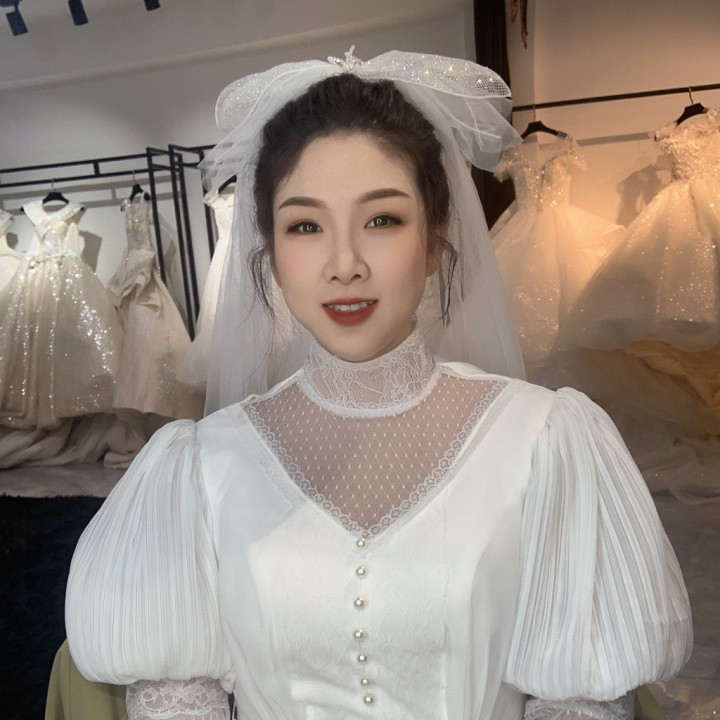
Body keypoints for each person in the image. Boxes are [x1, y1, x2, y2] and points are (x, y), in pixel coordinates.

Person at [65, 50, 692, 720]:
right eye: (305, 226)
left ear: (436, 238)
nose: (344, 264)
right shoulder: (199, 467)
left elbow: (578, 696)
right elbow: (179, 698)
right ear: (270, 253)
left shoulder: (544, 442)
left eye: (382, 219)